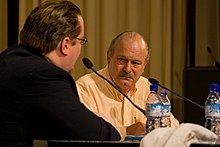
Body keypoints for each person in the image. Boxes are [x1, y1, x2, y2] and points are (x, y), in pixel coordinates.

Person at [0, 0, 121, 147]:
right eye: (81, 41)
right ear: (65, 45)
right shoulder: (44, 77)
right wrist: (100, 121)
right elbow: (102, 135)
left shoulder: (9, 58)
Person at [76, 31, 180, 140]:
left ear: (144, 65)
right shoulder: (85, 88)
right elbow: (86, 133)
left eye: (136, 63)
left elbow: (173, 125)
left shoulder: (147, 87)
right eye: (122, 60)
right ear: (109, 57)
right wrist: (126, 132)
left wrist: (155, 129)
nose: (127, 69)